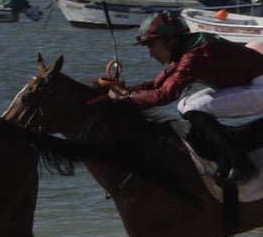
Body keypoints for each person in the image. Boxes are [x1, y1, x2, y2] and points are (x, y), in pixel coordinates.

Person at [108, 10, 263, 183]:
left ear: (170, 40)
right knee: (185, 105)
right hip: (254, 83)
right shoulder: (187, 49)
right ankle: (222, 153)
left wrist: (127, 97)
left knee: (194, 107)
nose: (150, 53)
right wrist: (124, 90)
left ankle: (242, 165)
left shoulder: (195, 54)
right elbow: (157, 84)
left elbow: (163, 96)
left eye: (151, 45)